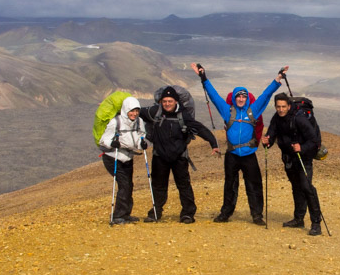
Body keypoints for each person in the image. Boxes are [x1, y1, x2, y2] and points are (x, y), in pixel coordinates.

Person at [191, 62, 288, 225]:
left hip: (249, 155)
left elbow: (265, 95)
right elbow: (213, 95)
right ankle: (225, 213)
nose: (241, 99)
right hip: (232, 155)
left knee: (254, 185)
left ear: (247, 98)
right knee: (230, 185)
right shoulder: (227, 110)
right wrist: (204, 77)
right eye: (238, 96)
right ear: (234, 98)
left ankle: (257, 215)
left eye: (244, 96)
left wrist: (277, 79)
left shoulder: (253, 110)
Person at [140, 86, 220, 224]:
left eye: (170, 101)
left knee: (183, 186)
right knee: (158, 186)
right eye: (164, 101)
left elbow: (199, 128)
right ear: (160, 102)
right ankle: (155, 212)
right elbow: (136, 112)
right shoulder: (155, 112)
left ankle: (188, 214)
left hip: (179, 158)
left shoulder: (184, 116)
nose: (167, 104)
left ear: (176, 102)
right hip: (160, 157)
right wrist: (119, 111)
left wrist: (213, 143)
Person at [262, 93, 324, 236]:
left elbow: (314, 142)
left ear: (289, 106)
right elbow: (271, 135)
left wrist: (301, 148)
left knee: (307, 187)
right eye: (278, 107)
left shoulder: (300, 119)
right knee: (296, 187)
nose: (281, 109)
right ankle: (298, 219)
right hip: (289, 158)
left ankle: (316, 223)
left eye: (284, 106)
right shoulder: (276, 118)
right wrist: (267, 142)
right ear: (275, 106)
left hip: (303, 158)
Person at [99, 96, 147, 225]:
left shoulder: (139, 122)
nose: (134, 113)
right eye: (132, 110)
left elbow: (140, 136)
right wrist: (112, 143)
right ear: (126, 110)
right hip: (113, 157)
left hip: (128, 157)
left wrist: (142, 144)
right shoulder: (116, 122)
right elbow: (103, 140)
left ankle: (125, 214)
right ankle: (118, 216)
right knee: (124, 184)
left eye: (137, 110)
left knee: (128, 185)